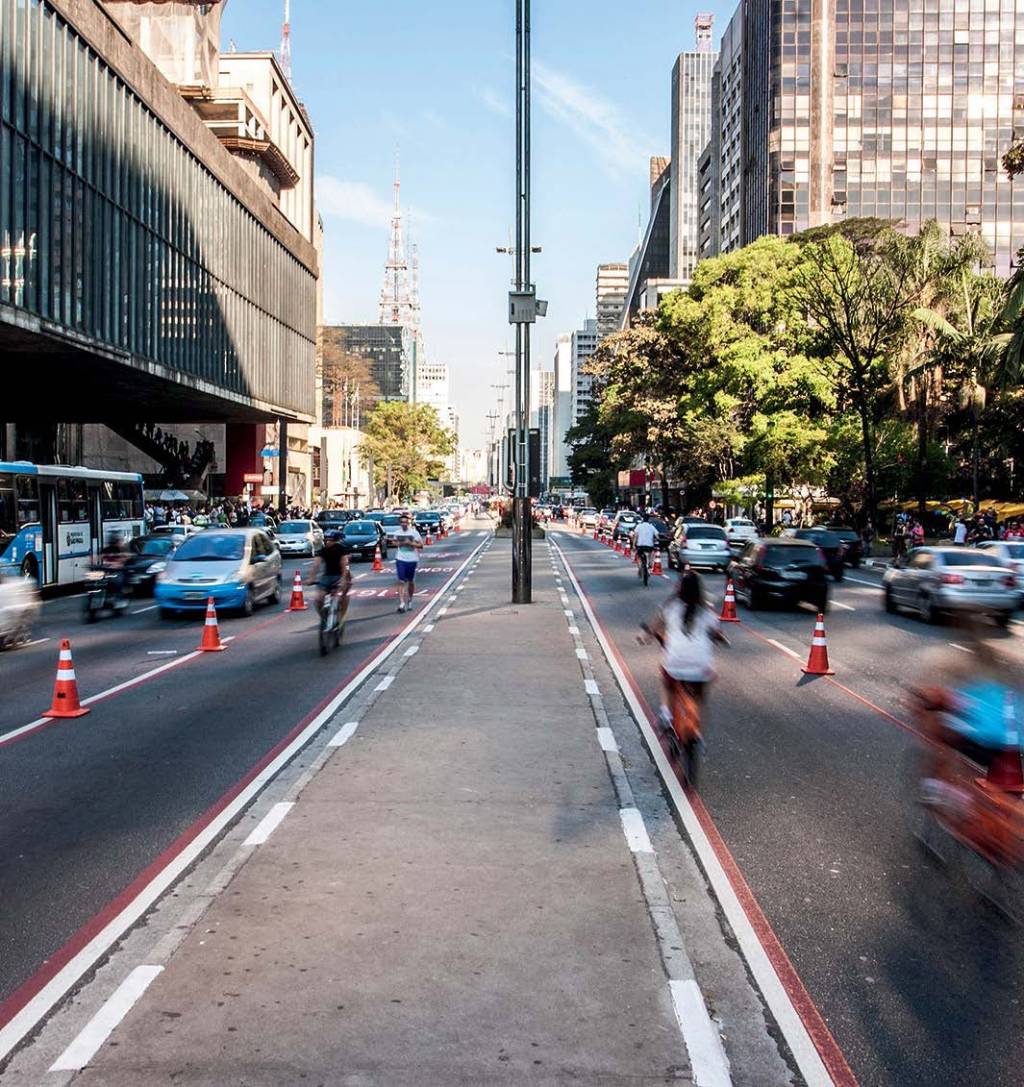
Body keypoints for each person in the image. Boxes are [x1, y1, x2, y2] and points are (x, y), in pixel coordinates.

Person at [644, 569, 727, 733]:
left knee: (667, 684)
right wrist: (721, 640)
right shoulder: (707, 612)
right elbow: (718, 634)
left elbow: (653, 630)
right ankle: (696, 733)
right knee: (700, 696)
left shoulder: (669, 608)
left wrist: (646, 637)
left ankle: (666, 714)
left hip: (675, 663)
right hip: (701, 665)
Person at [310, 530, 351, 618]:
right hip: (327, 576)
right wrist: (311, 578)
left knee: (341, 597)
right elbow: (316, 564)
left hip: (341, 576)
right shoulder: (323, 550)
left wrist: (344, 579)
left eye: (330, 540)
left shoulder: (342, 549)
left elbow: (345, 565)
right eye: (326, 540)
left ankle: (342, 618)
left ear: (336, 540)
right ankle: (324, 618)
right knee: (318, 599)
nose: (328, 542)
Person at [392, 511, 423, 613]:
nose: (404, 524)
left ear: (408, 523)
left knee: (410, 581)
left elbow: (421, 546)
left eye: (405, 522)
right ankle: (401, 603)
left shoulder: (414, 533)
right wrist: (399, 543)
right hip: (400, 559)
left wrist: (411, 543)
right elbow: (394, 542)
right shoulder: (397, 533)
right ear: (400, 523)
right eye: (402, 522)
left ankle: (410, 600)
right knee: (401, 581)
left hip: (412, 559)